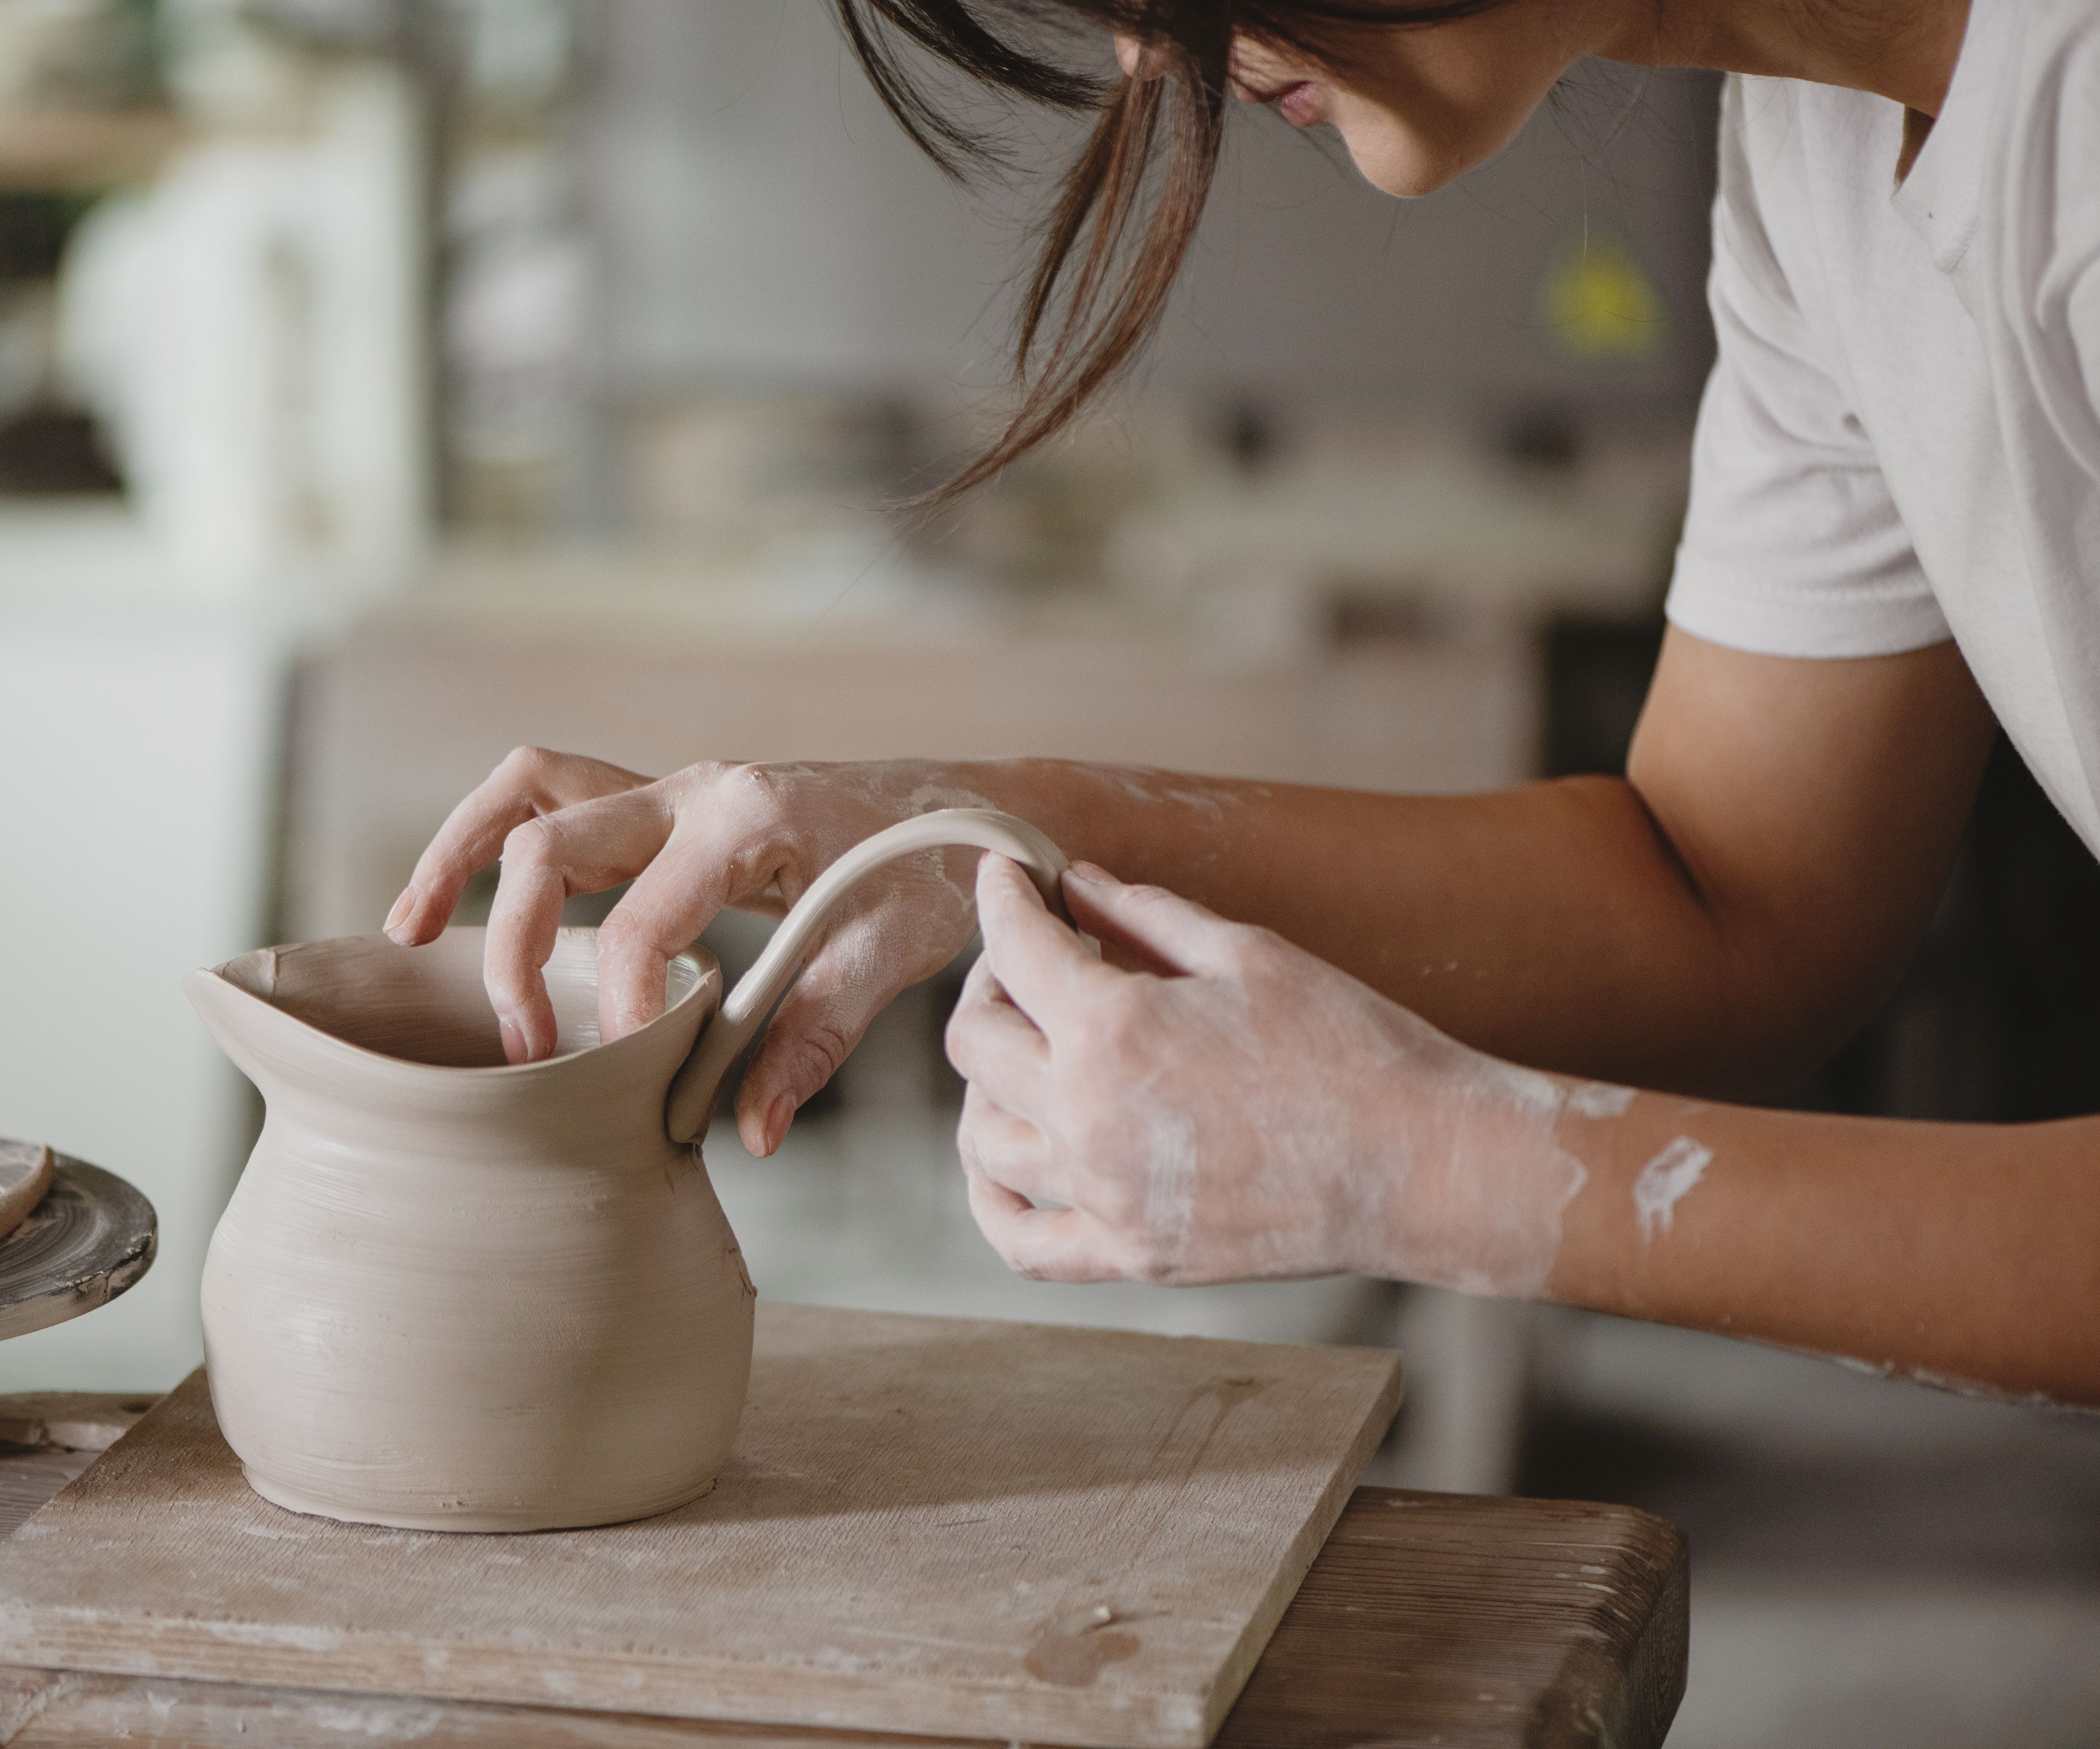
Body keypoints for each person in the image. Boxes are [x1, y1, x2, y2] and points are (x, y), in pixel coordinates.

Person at [383, 0, 2100, 1405]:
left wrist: (1444, 1173)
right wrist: (964, 830)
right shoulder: (1816, 145)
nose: (1145, 53)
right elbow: (1731, 898)